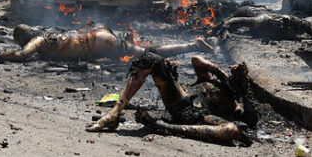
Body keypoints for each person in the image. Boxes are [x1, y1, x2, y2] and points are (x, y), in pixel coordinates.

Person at [86, 52, 257, 145]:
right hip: (181, 95)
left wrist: (244, 84)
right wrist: (222, 74)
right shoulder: (211, 79)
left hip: (192, 113)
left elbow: (251, 119)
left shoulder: (236, 106)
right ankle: (113, 114)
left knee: (231, 130)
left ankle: (165, 127)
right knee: (150, 60)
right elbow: (197, 60)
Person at [0, 24, 212, 62]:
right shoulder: (45, 36)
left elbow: (21, 56)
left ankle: (192, 46)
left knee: (146, 54)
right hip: (96, 40)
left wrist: (2, 54)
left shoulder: (37, 40)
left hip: (98, 41)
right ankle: (191, 46)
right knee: (143, 54)